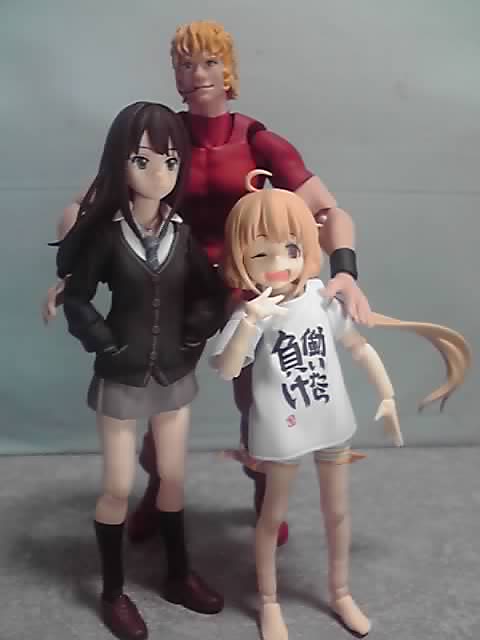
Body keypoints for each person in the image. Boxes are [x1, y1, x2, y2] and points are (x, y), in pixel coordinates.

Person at [43, 20, 372, 548]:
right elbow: (86, 204)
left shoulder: (258, 140)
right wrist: (71, 271)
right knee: (159, 399)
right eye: (185, 64)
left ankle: (265, 494)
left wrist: (346, 271)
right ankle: (157, 490)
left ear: (228, 70)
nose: (197, 74)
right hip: (178, 287)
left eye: (209, 62)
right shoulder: (163, 139)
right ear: (175, 74)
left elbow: (329, 210)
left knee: (263, 402)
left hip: (249, 291)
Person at [210, 170, 471, 639]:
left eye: (290, 249)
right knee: (271, 516)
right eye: (261, 253)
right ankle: (268, 601)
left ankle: (341, 591)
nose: (278, 264)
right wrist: (249, 322)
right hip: (282, 427)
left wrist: (387, 396)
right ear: (240, 257)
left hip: (330, 417)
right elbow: (226, 367)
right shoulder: (254, 312)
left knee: (338, 512)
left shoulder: (320, 296)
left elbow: (358, 348)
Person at [58, 101, 226, 640]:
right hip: (123, 373)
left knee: (172, 478)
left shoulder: (182, 233)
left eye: (171, 162)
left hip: (173, 373)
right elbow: (78, 297)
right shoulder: (107, 235)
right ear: (120, 162)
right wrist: (103, 343)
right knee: (117, 485)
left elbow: (210, 293)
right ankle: (113, 592)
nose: (159, 174)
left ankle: (178, 573)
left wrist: (195, 332)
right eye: (143, 160)